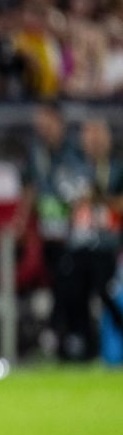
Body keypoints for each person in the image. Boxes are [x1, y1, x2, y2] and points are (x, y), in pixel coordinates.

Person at [13, 100, 83, 357]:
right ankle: (62, 337)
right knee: (57, 281)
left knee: (72, 285)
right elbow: (30, 188)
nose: (39, 124)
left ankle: (65, 334)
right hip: (48, 230)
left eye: (43, 118)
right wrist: (20, 221)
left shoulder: (75, 149)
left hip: (76, 230)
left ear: (57, 119)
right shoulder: (36, 151)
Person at [58, 117, 123, 360]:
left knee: (107, 294)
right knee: (73, 294)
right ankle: (82, 347)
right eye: (88, 134)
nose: (92, 140)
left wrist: (99, 199)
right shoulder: (75, 167)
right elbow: (67, 203)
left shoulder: (117, 167)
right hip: (80, 243)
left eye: (97, 134)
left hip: (108, 245)